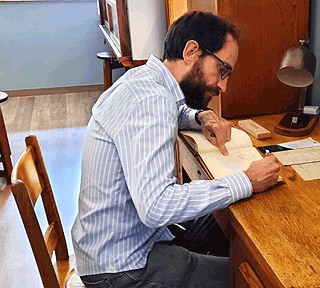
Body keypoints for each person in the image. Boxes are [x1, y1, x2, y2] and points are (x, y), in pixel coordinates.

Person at [71, 11, 281, 288]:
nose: (223, 86)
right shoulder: (151, 102)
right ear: (192, 51)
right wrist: (247, 181)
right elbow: (157, 207)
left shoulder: (146, 80)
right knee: (249, 276)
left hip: (112, 245)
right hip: (123, 269)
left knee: (219, 224)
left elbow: (172, 110)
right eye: (222, 71)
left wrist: (198, 117)